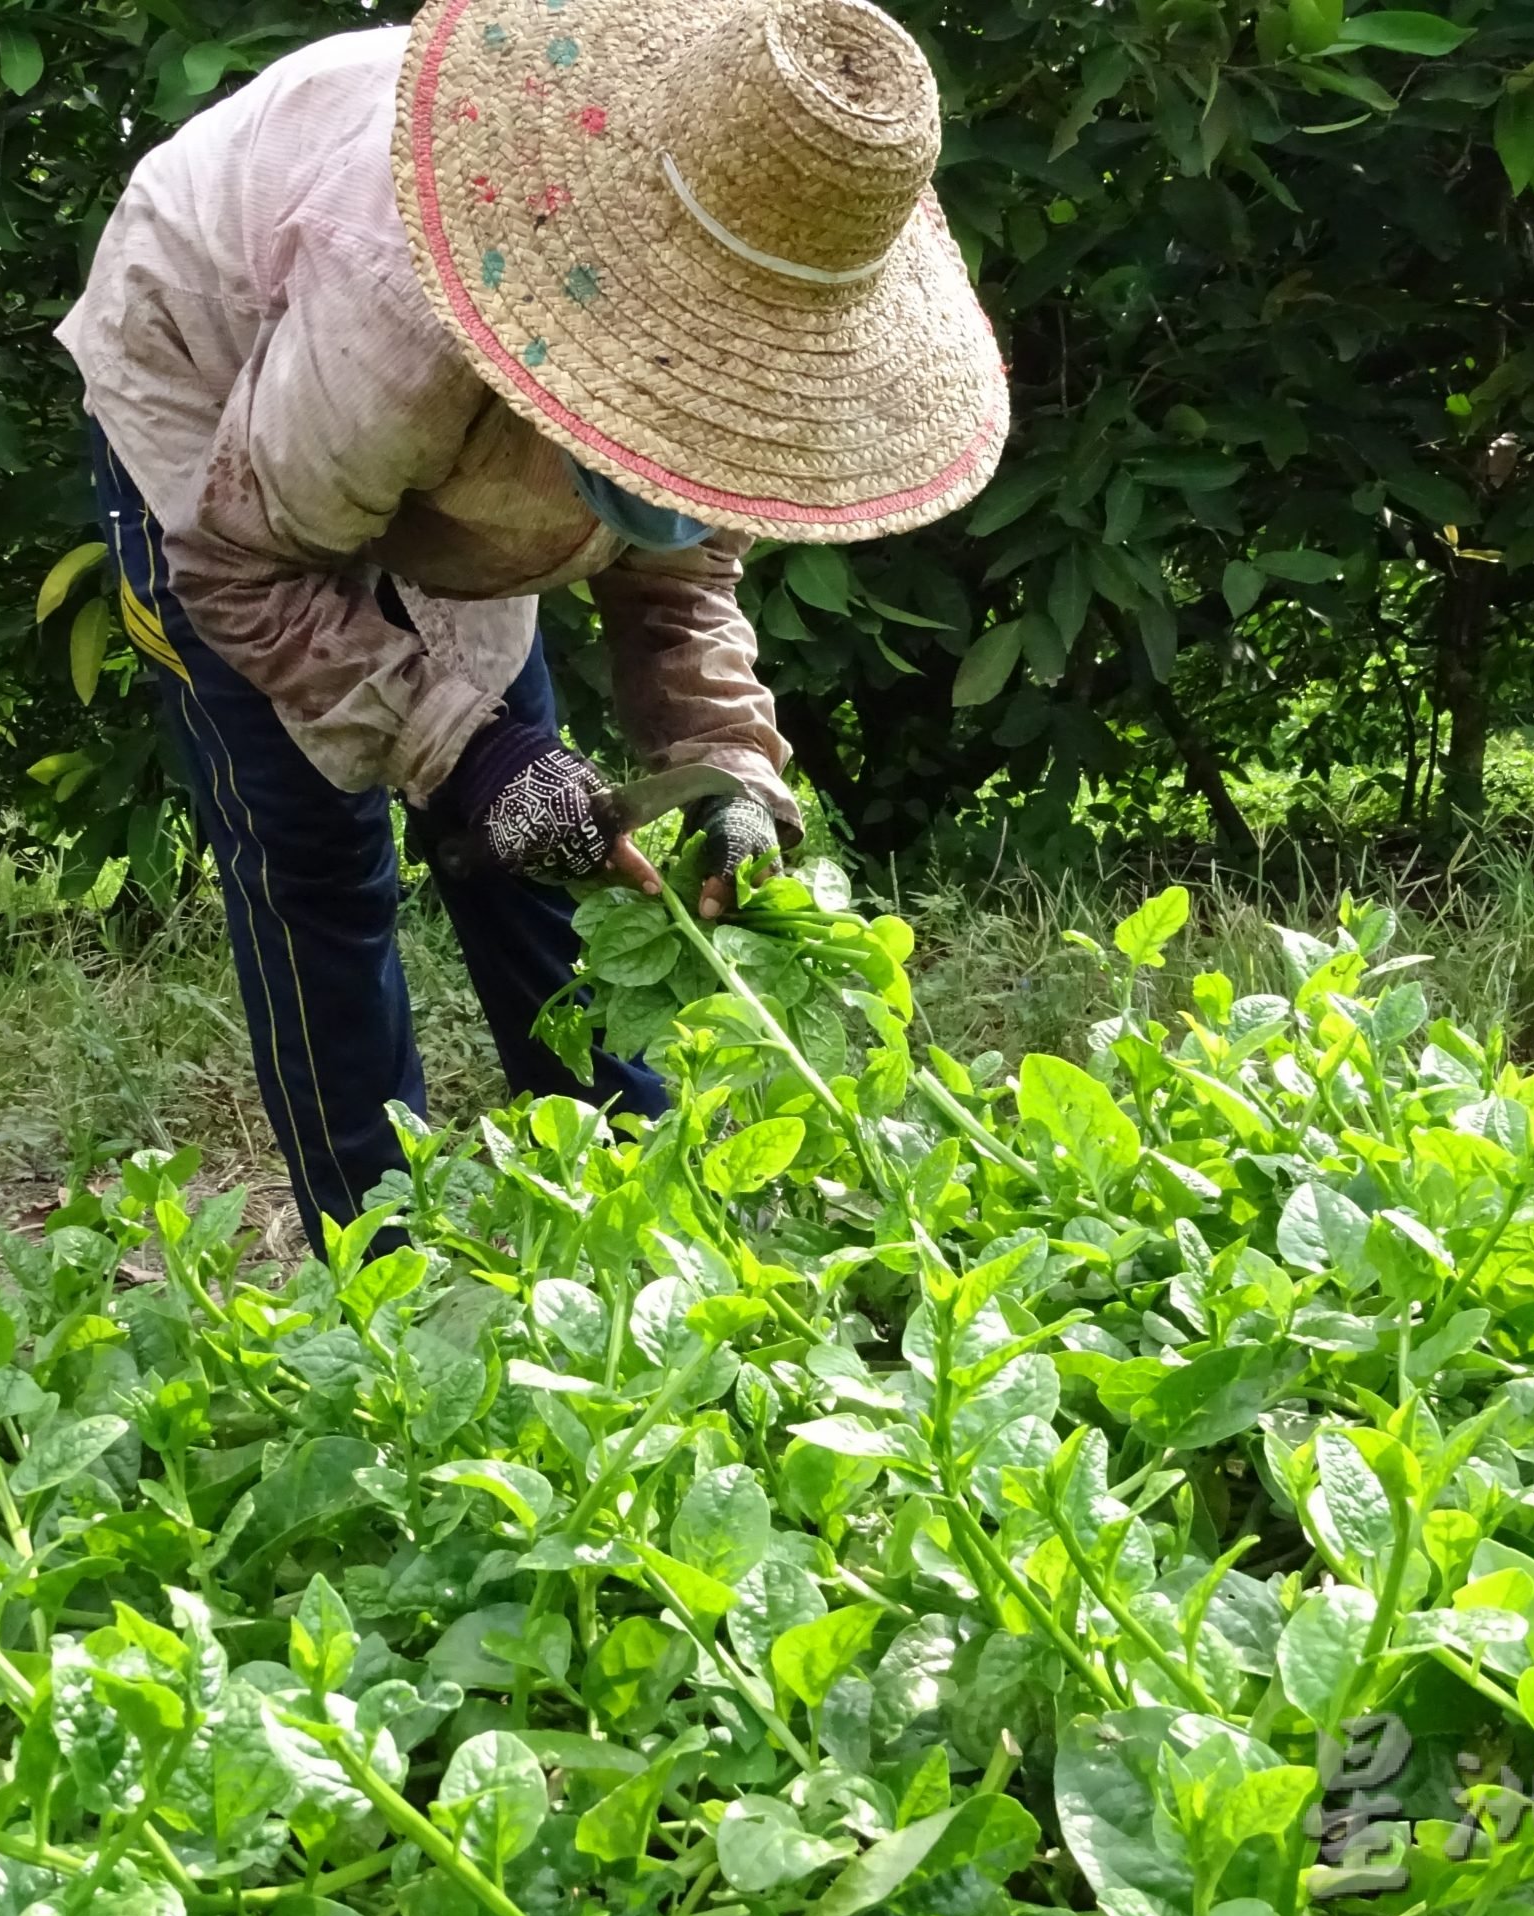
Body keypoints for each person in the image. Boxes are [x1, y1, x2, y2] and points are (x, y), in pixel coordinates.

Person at [56, 0, 1007, 1244]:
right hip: (225, 399)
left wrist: (717, 763)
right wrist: (472, 755)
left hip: (422, 432)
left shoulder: (760, 305)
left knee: (549, 841)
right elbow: (244, 569)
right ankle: (377, 1260)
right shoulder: (394, 301)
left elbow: (680, 572)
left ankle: (626, 1216)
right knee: (317, 861)